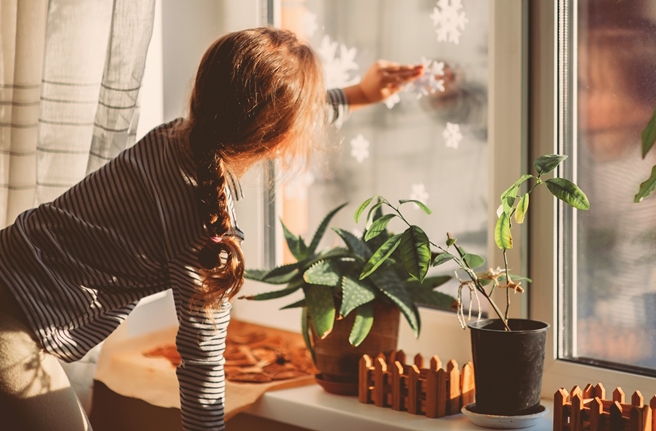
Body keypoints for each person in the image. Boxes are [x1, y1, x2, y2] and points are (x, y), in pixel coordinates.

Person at [0, 27, 422, 431]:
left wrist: (359, 94)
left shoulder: (171, 140)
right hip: (11, 329)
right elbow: (202, 364)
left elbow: (268, 111)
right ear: (280, 142)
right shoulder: (207, 234)